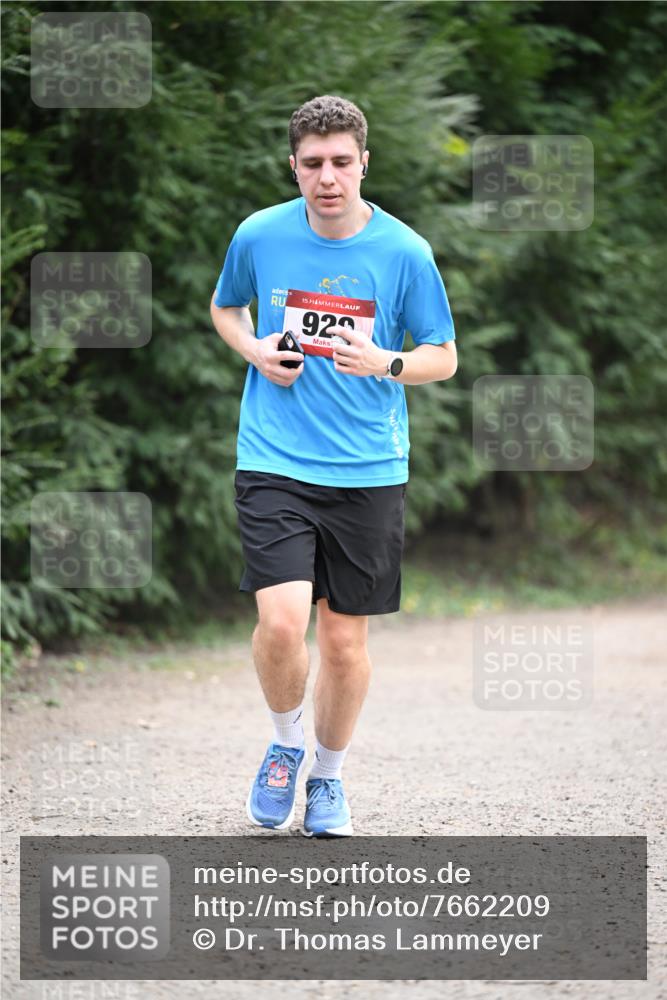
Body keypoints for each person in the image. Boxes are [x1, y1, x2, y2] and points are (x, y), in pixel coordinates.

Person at [210, 94, 457, 837]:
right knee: (283, 625)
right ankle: (285, 748)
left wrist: (385, 361)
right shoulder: (259, 234)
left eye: (341, 163)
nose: (327, 177)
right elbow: (226, 308)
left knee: (345, 642)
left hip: (367, 469)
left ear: (363, 164)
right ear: (293, 167)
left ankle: (328, 778)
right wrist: (255, 350)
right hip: (274, 458)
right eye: (312, 164)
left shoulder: (404, 252)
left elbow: (442, 357)